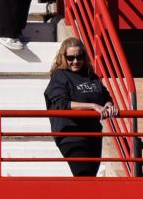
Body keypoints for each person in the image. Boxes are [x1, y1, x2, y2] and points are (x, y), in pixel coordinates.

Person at [44, 38, 113, 177]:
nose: (75, 61)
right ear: (64, 57)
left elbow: (106, 96)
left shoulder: (91, 75)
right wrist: (93, 106)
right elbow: (62, 104)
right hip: (71, 135)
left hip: (93, 134)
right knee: (84, 175)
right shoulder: (60, 76)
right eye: (71, 57)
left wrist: (109, 105)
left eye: (79, 57)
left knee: (89, 179)